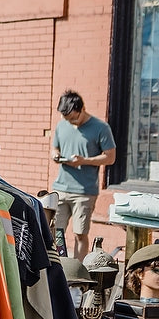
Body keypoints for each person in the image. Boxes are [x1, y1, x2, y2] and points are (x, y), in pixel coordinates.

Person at [50, 89, 116, 261]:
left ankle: (78, 274)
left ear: (82, 108)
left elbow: (110, 157)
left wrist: (83, 161)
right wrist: (55, 155)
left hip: (84, 192)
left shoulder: (101, 128)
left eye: (73, 118)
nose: (71, 122)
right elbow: (54, 148)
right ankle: (57, 269)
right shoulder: (61, 125)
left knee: (80, 234)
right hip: (61, 189)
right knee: (55, 233)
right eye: (67, 119)